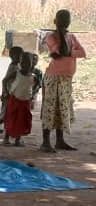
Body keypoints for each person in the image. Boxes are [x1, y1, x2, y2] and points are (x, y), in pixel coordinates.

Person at [40, 9, 86, 152]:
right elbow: (59, 51)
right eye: (62, 19)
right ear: (56, 21)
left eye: (67, 18)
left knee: (62, 109)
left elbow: (83, 52)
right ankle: (45, 142)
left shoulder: (71, 36)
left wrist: (70, 52)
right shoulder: (50, 36)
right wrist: (60, 32)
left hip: (66, 79)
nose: (66, 21)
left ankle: (60, 141)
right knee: (50, 108)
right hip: (53, 78)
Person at [0, 46, 25, 133]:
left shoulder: (17, 65)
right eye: (19, 55)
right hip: (9, 92)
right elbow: (5, 80)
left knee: (7, 111)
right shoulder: (14, 67)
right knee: (7, 112)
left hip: (12, 92)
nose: (20, 57)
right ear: (12, 55)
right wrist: (5, 92)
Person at [4, 52, 36, 147]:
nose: (24, 64)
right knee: (11, 118)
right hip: (14, 99)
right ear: (19, 63)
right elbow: (5, 80)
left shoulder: (33, 76)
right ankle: (6, 138)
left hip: (25, 101)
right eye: (22, 62)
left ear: (32, 63)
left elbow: (33, 88)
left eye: (27, 62)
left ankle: (18, 140)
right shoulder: (16, 73)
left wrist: (32, 98)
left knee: (22, 120)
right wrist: (6, 92)